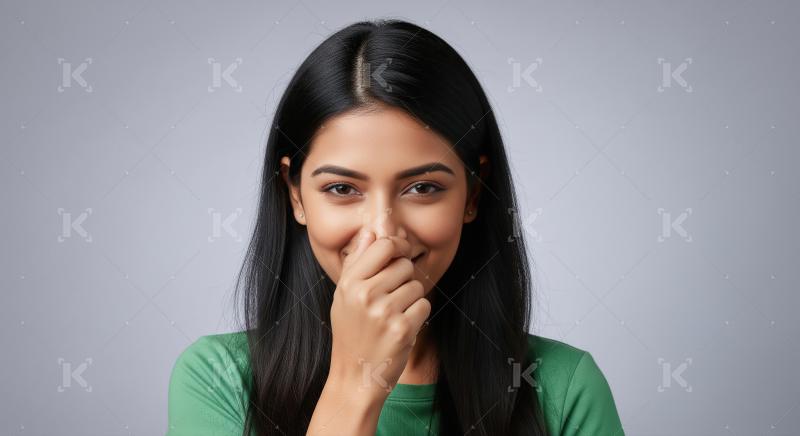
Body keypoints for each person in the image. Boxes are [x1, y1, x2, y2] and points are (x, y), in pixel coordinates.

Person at [167, 18, 624, 436]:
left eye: (423, 188)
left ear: (474, 194)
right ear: (295, 196)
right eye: (343, 189)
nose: (383, 234)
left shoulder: (561, 389)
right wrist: (357, 382)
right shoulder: (219, 379)